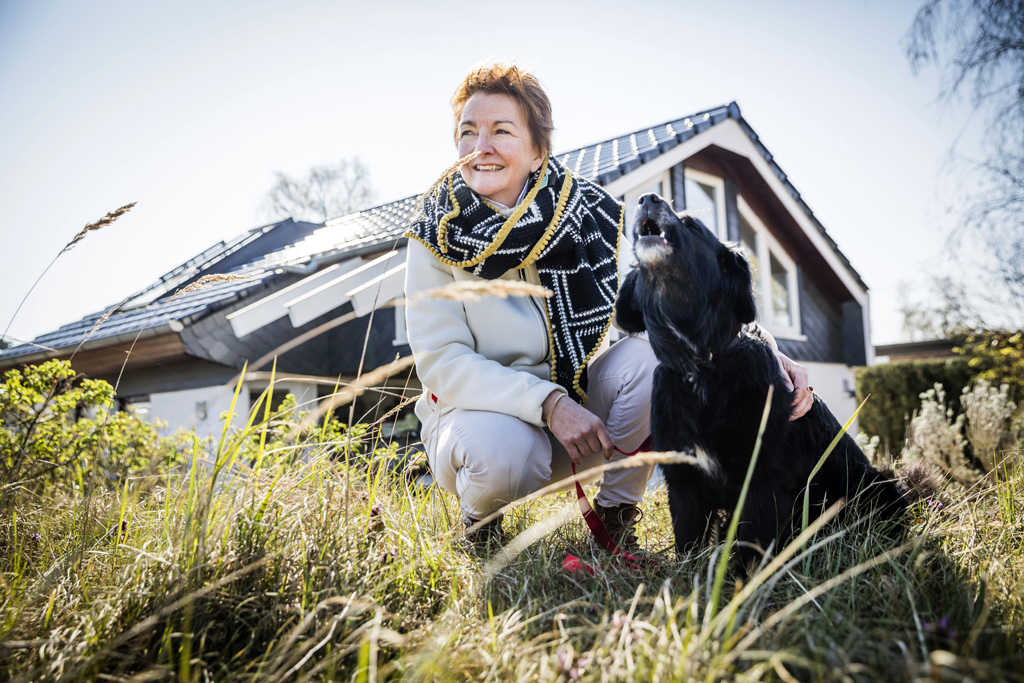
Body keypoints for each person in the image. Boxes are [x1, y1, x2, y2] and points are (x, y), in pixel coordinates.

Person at [404, 63, 811, 551]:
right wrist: (548, 404)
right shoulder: (434, 234)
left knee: (653, 360)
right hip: (482, 425)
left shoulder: (587, 215)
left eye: (500, 131)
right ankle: (480, 523)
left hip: (574, 423)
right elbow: (441, 362)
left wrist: (766, 348)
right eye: (467, 132)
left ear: (537, 152)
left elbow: (679, 293)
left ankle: (617, 513)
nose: (479, 147)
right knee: (502, 453)